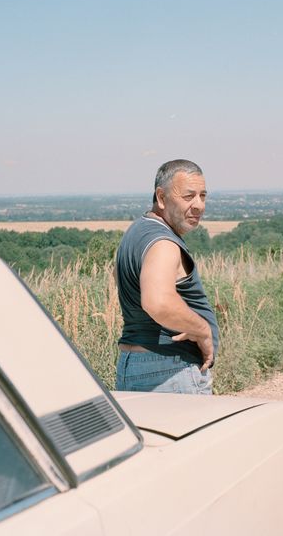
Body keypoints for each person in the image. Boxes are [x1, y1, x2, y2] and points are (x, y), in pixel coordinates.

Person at [114, 159, 219, 394]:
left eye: (203, 196)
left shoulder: (136, 232)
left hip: (133, 366)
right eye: (188, 196)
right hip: (170, 371)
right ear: (161, 197)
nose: (199, 205)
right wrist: (202, 330)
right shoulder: (163, 243)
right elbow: (158, 302)